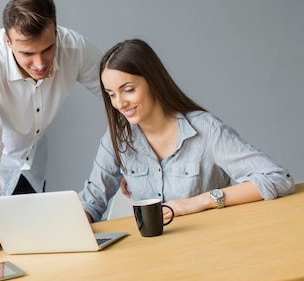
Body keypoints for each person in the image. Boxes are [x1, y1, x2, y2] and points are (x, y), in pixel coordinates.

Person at [0, 0, 103, 255]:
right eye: (28, 53)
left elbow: (118, 95)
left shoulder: (74, 48)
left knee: (39, 246)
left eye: (48, 48)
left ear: (55, 31)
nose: (40, 63)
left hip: (29, 158)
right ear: (7, 40)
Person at [79, 39, 295, 222]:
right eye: (111, 94)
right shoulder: (117, 138)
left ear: (153, 81)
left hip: (212, 251)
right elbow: (91, 201)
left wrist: (198, 202)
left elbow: (277, 178)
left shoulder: (206, 130)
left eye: (128, 90)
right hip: (153, 257)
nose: (119, 103)